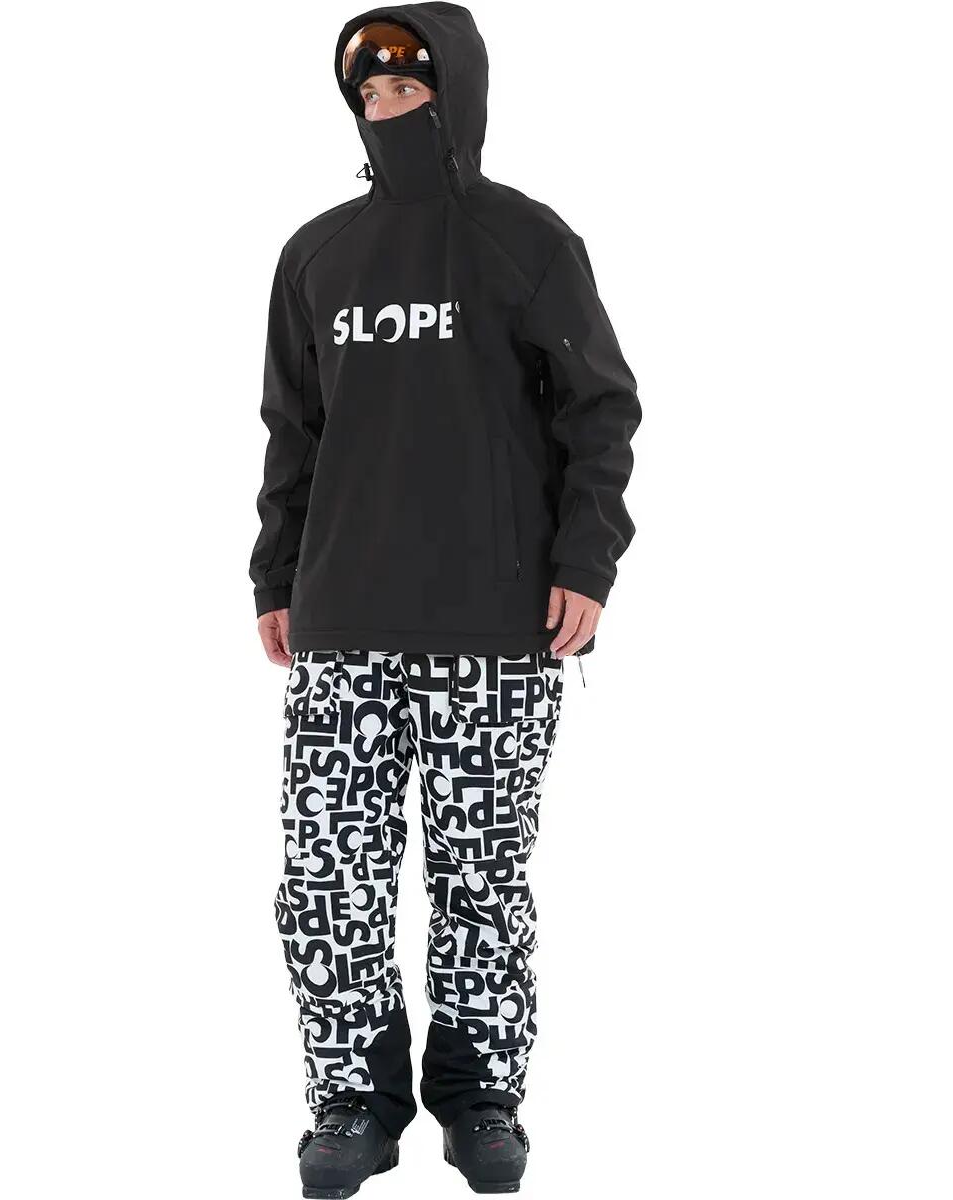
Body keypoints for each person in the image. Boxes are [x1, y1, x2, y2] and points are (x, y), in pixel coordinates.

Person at [249, 4, 641, 1195]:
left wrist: (585, 561)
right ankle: (351, 1102)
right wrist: (276, 574)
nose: (386, 107)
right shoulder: (316, 255)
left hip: (497, 627)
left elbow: (599, 411)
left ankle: (480, 1098)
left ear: (455, 92)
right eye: (367, 93)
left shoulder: (528, 240)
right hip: (344, 622)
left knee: (482, 877)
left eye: (409, 89)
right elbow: (293, 433)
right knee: (328, 876)